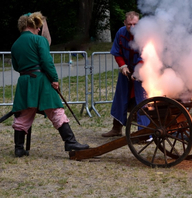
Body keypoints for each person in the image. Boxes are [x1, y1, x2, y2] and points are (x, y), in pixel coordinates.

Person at [11, 12, 89, 157]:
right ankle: (70, 141)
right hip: (40, 80)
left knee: (24, 113)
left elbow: (16, 66)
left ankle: (19, 148)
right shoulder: (39, 40)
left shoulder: (15, 45)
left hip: (24, 81)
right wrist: (54, 79)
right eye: (38, 27)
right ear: (32, 25)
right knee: (55, 110)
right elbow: (47, 61)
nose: (39, 30)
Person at [102, 11, 149, 137]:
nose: (132, 27)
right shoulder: (120, 33)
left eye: (135, 24)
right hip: (126, 70)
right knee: (120, 98)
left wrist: (138, 71)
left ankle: (143, 131)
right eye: (129, 24)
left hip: (142, 71)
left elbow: (145, 55)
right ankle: (116, 128)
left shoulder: (144, 35)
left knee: (142, 100)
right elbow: (117, 52)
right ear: (125, 23)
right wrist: (122, 66)